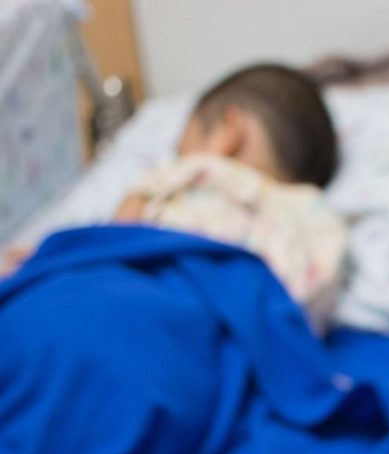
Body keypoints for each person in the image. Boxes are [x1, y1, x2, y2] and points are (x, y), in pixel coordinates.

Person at [5, 63, 345, 333]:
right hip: (223, 332)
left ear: (229, 131)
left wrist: (45, 261)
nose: (179, 156)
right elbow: (307, 309)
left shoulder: (195, 171)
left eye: (184, 144)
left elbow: (116, 236)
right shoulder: (314, 213)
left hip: (135, 300)